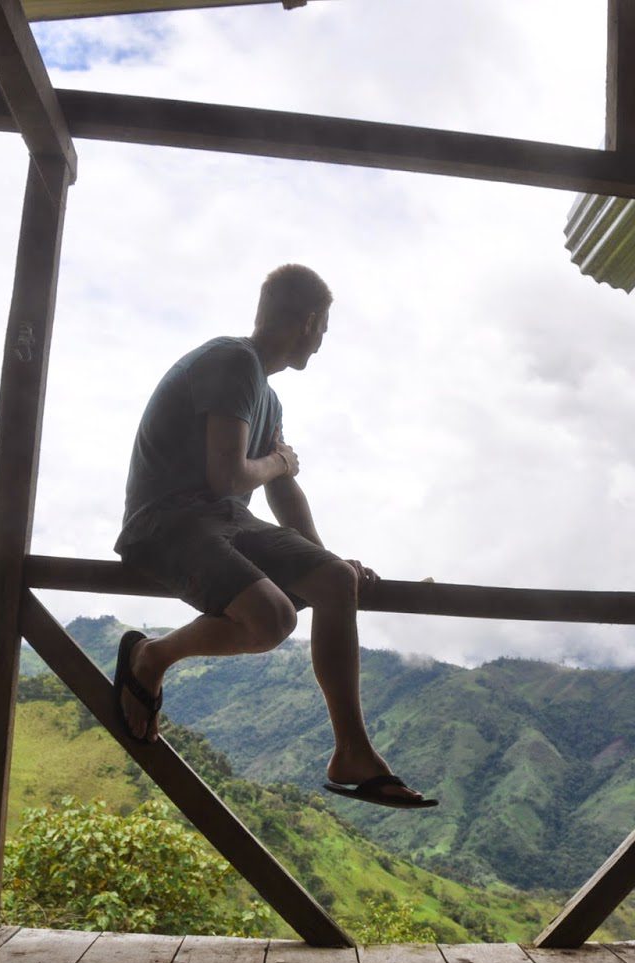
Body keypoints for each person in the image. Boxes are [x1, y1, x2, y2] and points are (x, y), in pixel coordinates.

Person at [111, 264, 434, 809]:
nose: (321, 342)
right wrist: (280, 461)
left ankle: (352, 753)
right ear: (309, 322)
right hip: (166, 520)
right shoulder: (231, 361)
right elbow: (229, 477)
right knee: (274, 618)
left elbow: (281, 491)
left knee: (332, 581)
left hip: (227, 521)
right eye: (324, 330)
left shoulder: (269, 396)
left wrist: (327, 560)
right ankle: (151, 657)